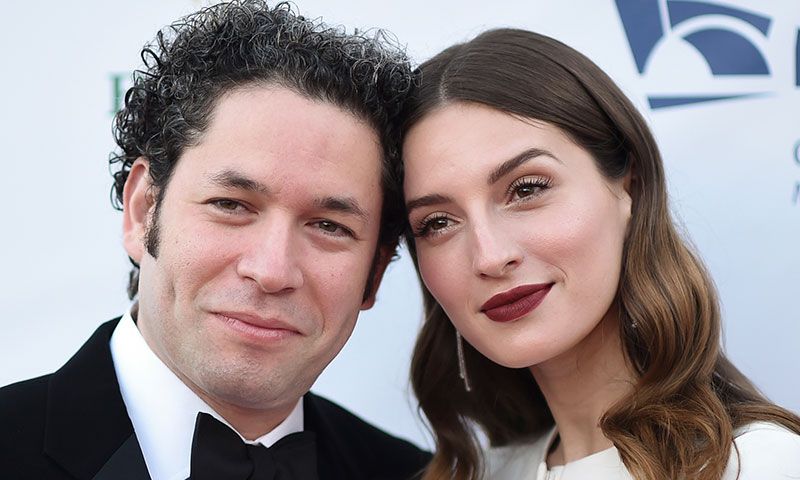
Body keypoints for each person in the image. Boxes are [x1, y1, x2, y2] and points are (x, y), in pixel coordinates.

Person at [0, 2, 430, 479]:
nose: (271, 271)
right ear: (143, 210)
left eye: (329, 226)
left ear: (373, 273)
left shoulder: (413, 474)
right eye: (231, 205)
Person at [399, 28, 800, 480]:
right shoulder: (482, 474)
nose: (490, 256)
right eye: (437, 222)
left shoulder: (758, 465)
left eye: (526, 189)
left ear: (628, 185)